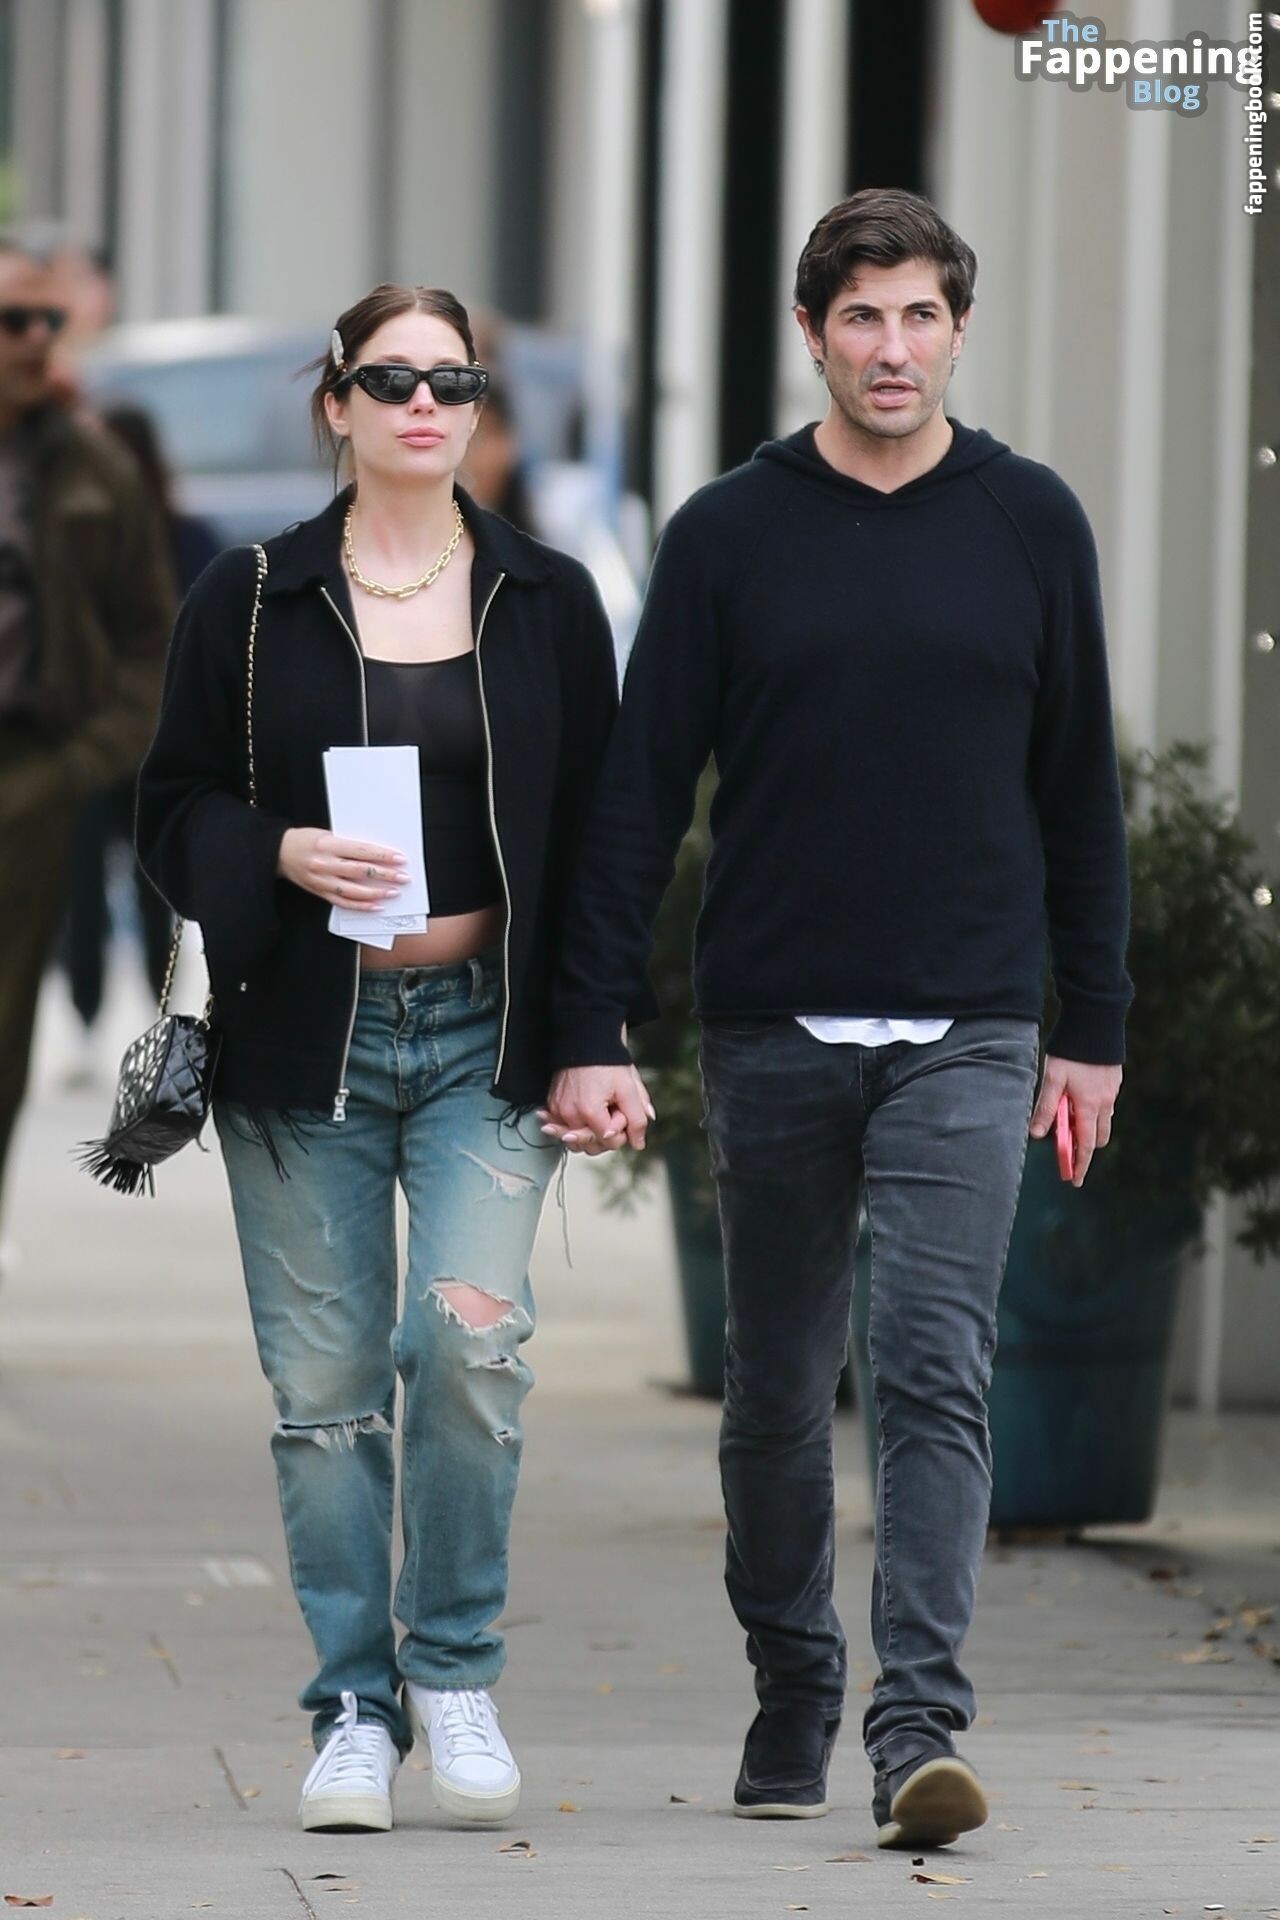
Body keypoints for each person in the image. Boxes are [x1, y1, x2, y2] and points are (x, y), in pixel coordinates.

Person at [542, 188, 1130, 1849]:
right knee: (780, 1392)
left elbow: (1079, 793)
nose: (892, 346)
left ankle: (917, 1723)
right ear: (812, 334)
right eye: (861, 316)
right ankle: (794, 1674)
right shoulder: (730, 533)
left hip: (972, 1022)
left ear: (959, 330)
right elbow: (641, 798)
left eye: (920, 314)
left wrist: (1093, 1026)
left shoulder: (1031, 522)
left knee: (936, 1371)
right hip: (774, 1023)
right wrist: (592, 1023)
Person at [135, 283, 656, 1835]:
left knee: (469, 1350)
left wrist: (595, 1036)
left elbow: (605, 842)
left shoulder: (546, 599)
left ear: (481, 406)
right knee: (326, 1395)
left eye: (454, 379)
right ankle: (355, 1708)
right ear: (337, 405)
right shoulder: (249, 599)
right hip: (308, 1043)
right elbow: (165, 813)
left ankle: (456, 1669)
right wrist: (277, 852)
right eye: (391, 378)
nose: (425, 403)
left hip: (486, 1038)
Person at [0, 232, 172, 1249]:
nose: (35, 338)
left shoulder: (95, 467)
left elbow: (153, 642)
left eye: (47, 319)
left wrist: (79, 764)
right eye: (11, 320)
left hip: (30, 778)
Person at [59, 405, 221, 1082]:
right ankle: (88, 1024)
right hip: (91, 740)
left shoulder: (186, 538)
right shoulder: (73, 538)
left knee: (157, 889)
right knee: (82, 891)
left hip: (158, 742)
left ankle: (158, 1024)